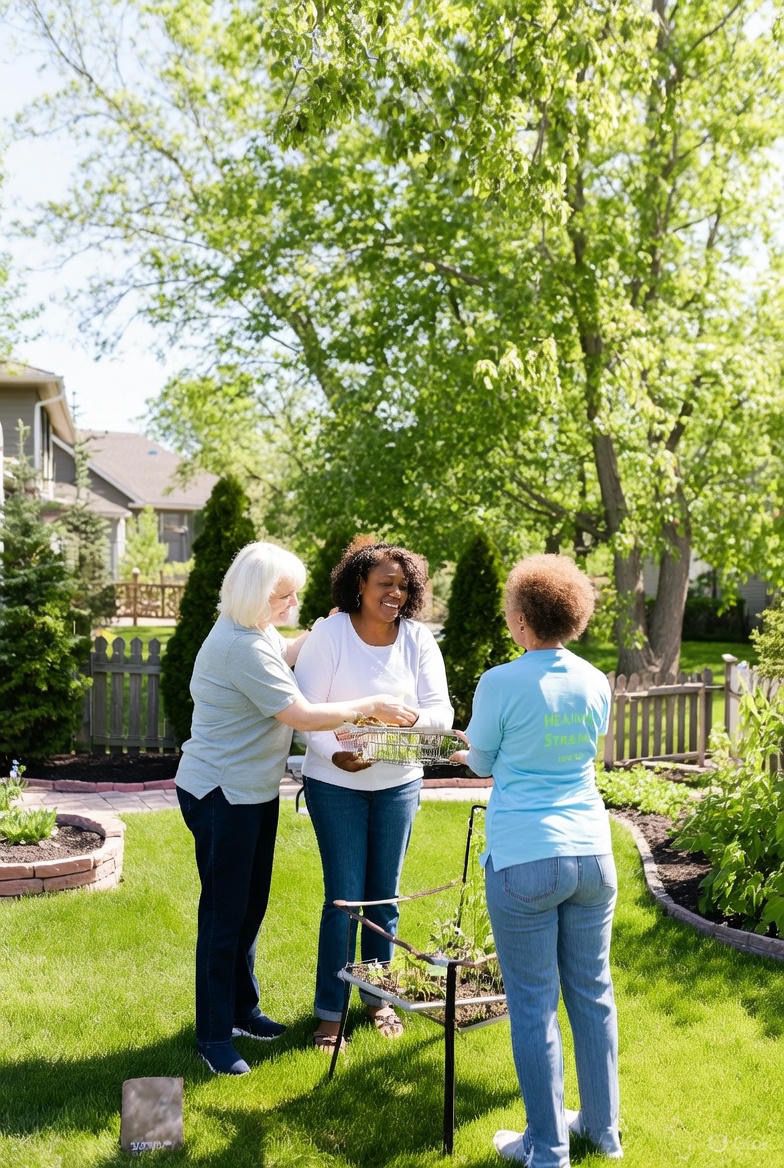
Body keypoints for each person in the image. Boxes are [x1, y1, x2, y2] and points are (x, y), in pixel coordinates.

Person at [175, 540, 417, 1076]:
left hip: (251, 793)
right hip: (221, 794)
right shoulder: (240, 646)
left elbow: (281, 655)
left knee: (248, 910)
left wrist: (314, 632)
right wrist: (371, 705)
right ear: (256, 594)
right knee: (223, 917)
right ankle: (214, 1036)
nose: (291, 604)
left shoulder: (252, 631)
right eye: (284, 597)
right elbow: (301, 714)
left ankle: (243, 1010)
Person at [451, 554, 622, 1167]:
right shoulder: (595, 680)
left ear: (523, 620)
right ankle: (603, 1131)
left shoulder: (500, 682)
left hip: (525, 856)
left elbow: (481, 763)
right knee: (593, 993)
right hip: (593, 853)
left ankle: (547, 1150)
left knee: (532, 1002)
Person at [294, 538, 454, 1051]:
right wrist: (334, 751)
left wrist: (398, 724)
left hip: (398, 785)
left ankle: (377, 996)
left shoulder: (417, 640)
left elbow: (440, 714)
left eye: (403, 587)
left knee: (384, 899)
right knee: (344, 898)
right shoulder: (331, 634)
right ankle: (329, 1012)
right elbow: (306, 710)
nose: (395, 594)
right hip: (335, 784)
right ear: (358, 584)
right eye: (385, 584)